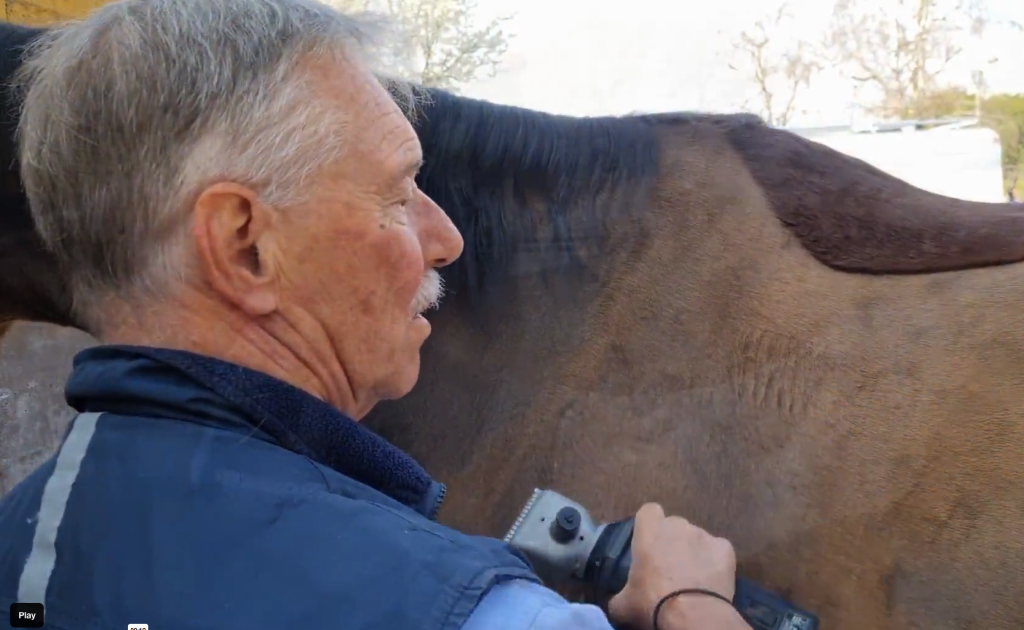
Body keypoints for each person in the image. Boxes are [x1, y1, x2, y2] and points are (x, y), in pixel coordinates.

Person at [0, 1, 752, 629]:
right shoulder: (473, 613)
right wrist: (695, 608)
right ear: (245, 246)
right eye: (397, 194)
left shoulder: (20, 542)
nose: (445, 238)